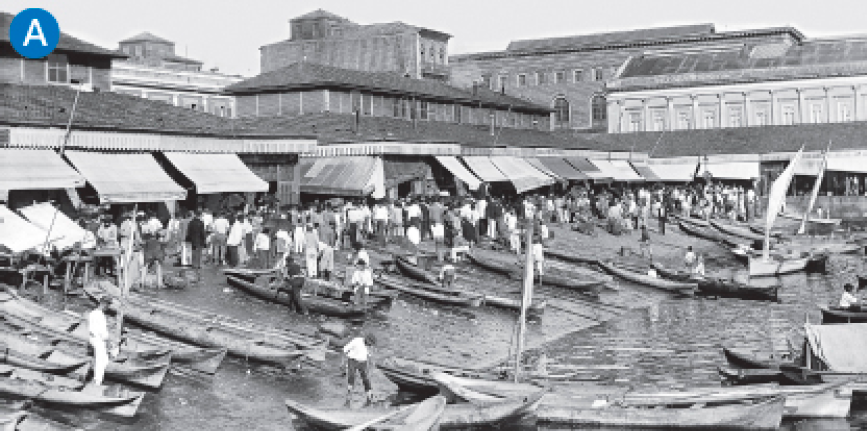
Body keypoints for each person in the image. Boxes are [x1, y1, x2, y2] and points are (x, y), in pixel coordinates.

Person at [343, 333, 376, 406]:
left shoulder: (369, 347)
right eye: (370, 343)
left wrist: (371, 362)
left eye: (371, 344)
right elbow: (345, 349)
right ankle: (348, 397)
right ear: (366, 340)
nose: (370, 345)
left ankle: (369, 397)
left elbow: (369, 355)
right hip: (352, 360)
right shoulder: (356, 341)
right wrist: (344, 362)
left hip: (363, 362)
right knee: (351, 377)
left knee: (366, 379)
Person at [88, 296, 113, 386]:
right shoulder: (101, 316)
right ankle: (97, 382)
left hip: (92, 338)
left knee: (103, 359)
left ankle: (97, 377)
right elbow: (103, 333)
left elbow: (91, 329)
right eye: (108, 304)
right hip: (98, 340)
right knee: (101, 361)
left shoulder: (92, 313)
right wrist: (108, 342)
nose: (108, 307)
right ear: (104, 304)